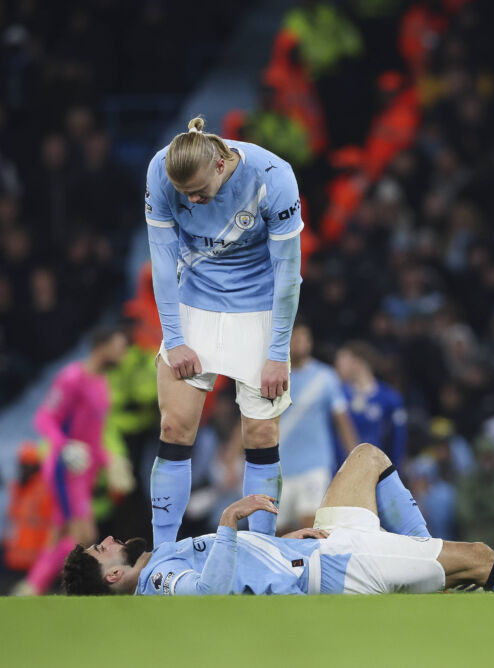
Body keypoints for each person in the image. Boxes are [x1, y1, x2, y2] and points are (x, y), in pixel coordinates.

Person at [62, 443, 494, 596]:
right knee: (480, 556)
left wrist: (279, 538)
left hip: (314, 546)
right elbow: (216, 591)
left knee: (367, 458)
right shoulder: (160, 583)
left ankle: (436, 573)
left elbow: (240, 569)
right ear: (114, 578)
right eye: (100, 551)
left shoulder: (158, 558)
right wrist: (229, 523)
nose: (109, 540)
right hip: (331, 570)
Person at [144, 116, 304, 545]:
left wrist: (277, 351)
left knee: (262, 434)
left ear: (220, 165)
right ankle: (163, 553)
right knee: (174, 429)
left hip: (259, 307)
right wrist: (174, 339)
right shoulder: (162, 170)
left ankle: (262, 549)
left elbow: (288, 273)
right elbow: (161, 260)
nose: (192, 202)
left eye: (198, 191)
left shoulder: (274, 178)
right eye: (184, 195)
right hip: (195, 301)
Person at [13, 326, 131, 595]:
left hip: (84, 473)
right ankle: (47, 588)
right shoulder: (71, 378)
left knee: (59, 536)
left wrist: (111, 460)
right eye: (119, 346)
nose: (123, 353)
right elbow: (44, 417)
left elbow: (92, 439)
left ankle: (32, 589)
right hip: (65, 470)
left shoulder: (101, 385)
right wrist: (64, 447)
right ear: (101, 346)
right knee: (85, 536)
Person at [277, 323, 358, 533]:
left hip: (315, 464)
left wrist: (355, 457)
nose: (300, 343)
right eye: (295, 339)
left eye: (304, 338)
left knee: (311, 526)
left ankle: (314, 567)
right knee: (280, 532)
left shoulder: (326, 377)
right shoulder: (275, 376)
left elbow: (342, 421)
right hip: (281, 467)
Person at [333, 340, 407, 469]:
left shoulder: (390, 399)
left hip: (376, 473)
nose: (336, 366)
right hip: (340, 474)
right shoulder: (337, 396)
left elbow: (397, 442)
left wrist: (393, 474)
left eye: (341, 360)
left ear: (357, 362)